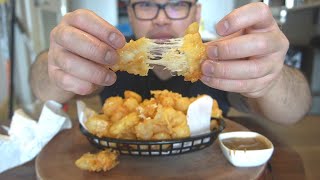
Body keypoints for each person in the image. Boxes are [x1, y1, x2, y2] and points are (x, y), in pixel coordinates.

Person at [30, 0, 311, 125]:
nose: (161, 18)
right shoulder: (109, 56)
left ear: (196, 12)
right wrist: (56, 66)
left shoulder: (223, 56)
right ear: (130, 11)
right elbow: (43, 89)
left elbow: (294, 112)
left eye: (176, 4)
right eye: (147, 4)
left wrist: (270, 78)